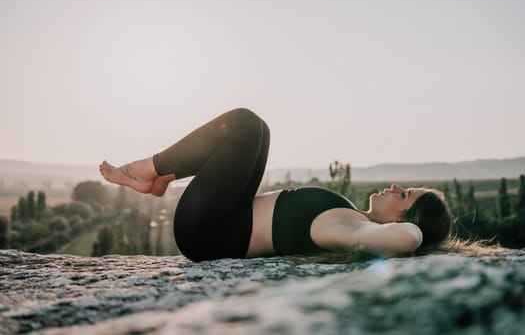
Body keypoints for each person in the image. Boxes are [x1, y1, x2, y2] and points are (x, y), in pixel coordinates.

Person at [99, 108, 452, 262]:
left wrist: (416, 234)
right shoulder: (351, 213)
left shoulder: (351, 227)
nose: (394, 187)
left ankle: (147, 169)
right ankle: (161, 177)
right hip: (223, 218)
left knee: (245, 125)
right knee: (260, 130)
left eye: (404, 194)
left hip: (206, 232)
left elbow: (406, 238)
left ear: (402, 219)